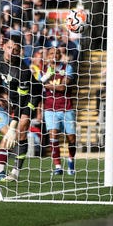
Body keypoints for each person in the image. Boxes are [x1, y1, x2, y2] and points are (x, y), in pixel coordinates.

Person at [0, 35, 39, 182]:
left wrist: (13, 126)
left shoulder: (22, 70)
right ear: (3, 46)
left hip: (31, 96)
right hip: (14, 98)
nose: (11, 52)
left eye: (15, 50)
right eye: (9, 48)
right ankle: (0, 169)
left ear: (19, 52)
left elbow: (22, 101)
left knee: (21, 129)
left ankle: (15, 171)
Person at [40, 47, 77, 175]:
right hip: (50, 108)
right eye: (51, 53)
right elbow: (39, 85)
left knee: (71, 138)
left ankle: (71, 160)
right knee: (53, 135)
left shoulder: (67, 68)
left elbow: (63, 87)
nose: (54, 55)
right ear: (48, 56)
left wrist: (47, 85)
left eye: (56, 53)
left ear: (60, 55)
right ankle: (57, 167)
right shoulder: (43, 70)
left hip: (66, 107)